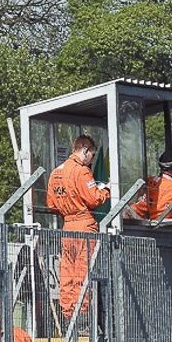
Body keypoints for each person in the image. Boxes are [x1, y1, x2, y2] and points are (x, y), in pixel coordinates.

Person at [47, 135, 111, 322]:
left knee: (67, 271)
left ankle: (67, 313)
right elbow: (94, 199)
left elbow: (51, 203)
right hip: (84, 224)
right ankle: (82, 314)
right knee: (83, 271)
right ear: (84, 149)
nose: (92, 158)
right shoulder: (82, 171)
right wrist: (105, 191)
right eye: (91, 153)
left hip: (67, 226)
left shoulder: (56, 172)